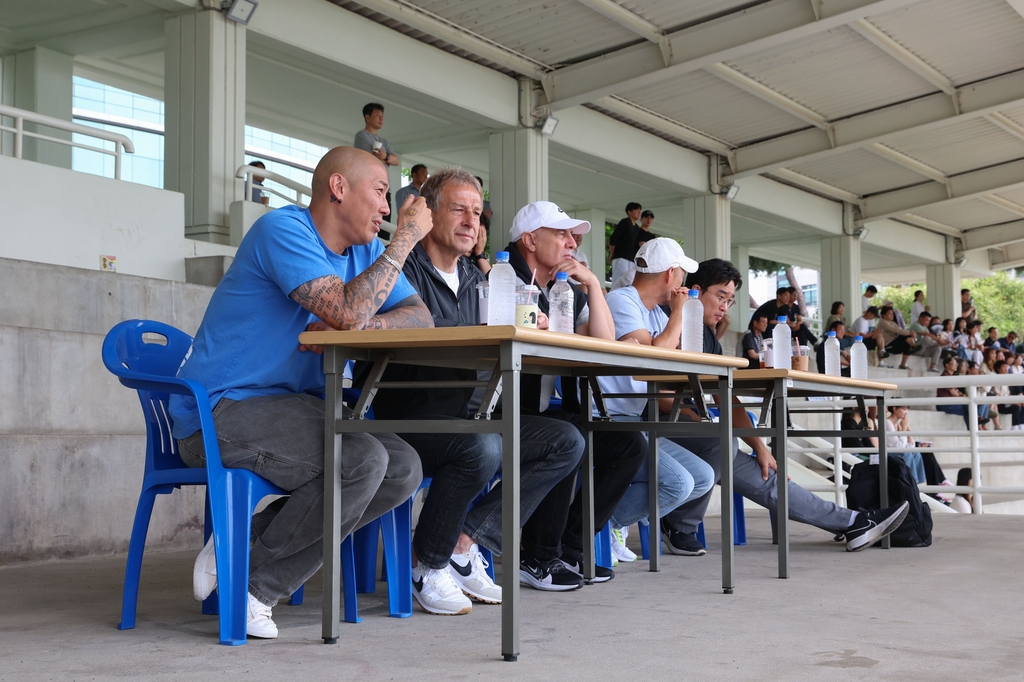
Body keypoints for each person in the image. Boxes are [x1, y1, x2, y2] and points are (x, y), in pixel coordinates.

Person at [170, 147, 429, 638]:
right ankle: (254, 587)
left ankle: (242, 545)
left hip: (295, 408)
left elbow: (420, 315)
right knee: (361, 461)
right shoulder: (284, 230)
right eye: (379, 192)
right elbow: (346, 312)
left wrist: (365, 320)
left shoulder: (365, 254)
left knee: (403, 468)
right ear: (337, 188)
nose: (388, 210)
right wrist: (404, 245)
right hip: (222, 410)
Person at [369, 169, 585, 612]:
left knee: (565, 440)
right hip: (408, 419)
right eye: (458, 210)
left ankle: (464, 543)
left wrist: (530, 323)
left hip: (469, 417)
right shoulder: (402, 266)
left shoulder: (476, 277)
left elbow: (497, 329)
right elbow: (409, 329)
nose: (472, 221)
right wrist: (492, 328)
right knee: (480, 447)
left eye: (477, 213)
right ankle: (425, 565)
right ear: (427, 214)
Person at [659, 258, 910, 554]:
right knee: (719, 441)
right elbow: (655, 392)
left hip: (700, 436)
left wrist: (761, 448)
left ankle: (853, 522)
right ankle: (679, 525)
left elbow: (727, 398)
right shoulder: (670, 321)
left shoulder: (709, 337)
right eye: (721, 297)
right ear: (695, 291)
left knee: (766, 474)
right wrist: (699, 419)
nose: (725, 306)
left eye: (731, 300)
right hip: (663, 429)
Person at [501, 200, 647, 585]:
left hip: (552, 409)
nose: (571, 242)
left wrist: (594, 284)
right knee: (569, 432)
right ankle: (537, 558)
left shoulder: (564, 288)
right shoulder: (505, 277)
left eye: (573, 235)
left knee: (629, 445)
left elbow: (603, 342)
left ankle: (570, 545)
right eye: (561, 234)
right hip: (505, 409)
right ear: (530, 240)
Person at [597, 238, 715, 564]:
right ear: (670, 274)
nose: (683, 285)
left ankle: (607, 522)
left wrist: (679, 322)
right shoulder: (621, 301)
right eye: (681, 276)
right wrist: (679, 313)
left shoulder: (656, 316)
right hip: (607, 419)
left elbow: (682, 361)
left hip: (636, 423)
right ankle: (597, 521)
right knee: (678, 484)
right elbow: (654, 362)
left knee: (702, 477)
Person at [354, 102, 399, 218]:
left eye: (382, 116)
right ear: (367, 117)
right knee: (371, 220)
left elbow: (396, 160)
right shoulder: (362, 135)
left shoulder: (384, 141)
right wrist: (386, 159)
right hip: (370, 185)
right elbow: (369, 158)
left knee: (384, 224)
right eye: (378, 115)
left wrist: (385, 157)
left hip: (385, 188)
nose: (381, 118)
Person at [936, 355, 990, 428]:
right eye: (954, 364)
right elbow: (953, 393)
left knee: (971, 407)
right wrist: (962, 396)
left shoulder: (951, 376)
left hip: (951, 403)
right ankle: (976, 421)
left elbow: (957, 391)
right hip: (945, 405)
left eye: (957, 364)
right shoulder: (945, 376)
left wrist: (961, 394)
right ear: (947, 365)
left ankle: (975, 424)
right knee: (969, 407)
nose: (956, 365)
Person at [884, 406, 928, 484]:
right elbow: (898, 447)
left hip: (897, 451)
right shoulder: (887, 423)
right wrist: (904, 429)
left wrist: (907, 428)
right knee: (907, 453)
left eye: (907, 409)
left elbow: (911, 446)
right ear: (895, 409)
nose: (906, 412)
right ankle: (911, 482)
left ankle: (918, 482)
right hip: (888, 453)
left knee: (916, 453)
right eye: (904, 409)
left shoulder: (898, 424)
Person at [608, 202, 642, 282]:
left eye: (639, 210)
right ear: (629, 212)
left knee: (630, 281)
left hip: (631, 259)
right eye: (636, 210)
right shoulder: (625, 222)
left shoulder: (637, 228)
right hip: (621, 257)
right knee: (619, 280)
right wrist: (613, 253)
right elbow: (613, 238)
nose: (639, 212)